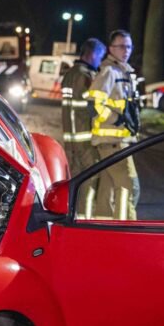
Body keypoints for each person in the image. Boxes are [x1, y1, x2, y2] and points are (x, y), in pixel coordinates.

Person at [86, 30, 141, 220]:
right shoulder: (110, 71)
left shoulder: (123, 71)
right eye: (121, 46)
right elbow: (94, 100)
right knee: (129, 186)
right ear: (111, 49)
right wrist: (112, 117)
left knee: (108, 189)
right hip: (113, 140)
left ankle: (103, 229)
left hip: (116, 139)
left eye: (129, 46)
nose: (126, 50)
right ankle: (128, 231)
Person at [61, 38, 106, 179]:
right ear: (92, 54)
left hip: (71, 138)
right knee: (91, 179)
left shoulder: (70, 74)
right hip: (84, 137)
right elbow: (93, 106)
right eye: (100, 57)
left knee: (75, 179)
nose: (100, 61)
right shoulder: (85, 76)